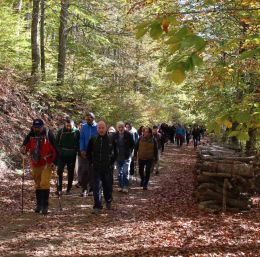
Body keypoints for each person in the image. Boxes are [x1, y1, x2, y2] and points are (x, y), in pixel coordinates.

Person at [21, 119, 56, 214]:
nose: (36, 129)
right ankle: (39, 205)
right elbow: (25, 146)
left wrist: (54, 162)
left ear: (43, 126)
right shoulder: (31, 134)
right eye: (35, 127)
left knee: (44, 182)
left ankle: (45, 206)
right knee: (37, 184)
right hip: (35, 162)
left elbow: (55, 149)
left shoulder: (49, 134)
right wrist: (23, 149)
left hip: (46, 162)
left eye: (38, 127)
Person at [87, 121, 117, 214]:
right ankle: (97, 206)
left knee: (107, 186)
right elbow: (88, 153)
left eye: (102, 128)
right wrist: (91, 163)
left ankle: (108, 200)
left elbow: (116, 153)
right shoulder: (93, 139)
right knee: (96, 187)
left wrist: (111, 163)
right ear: (97, 129)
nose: (101, 130)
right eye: (99, 128)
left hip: (107, 168)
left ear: (106, 128)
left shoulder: (111, 139)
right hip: (96, 167)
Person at [56, 118, 80, 195]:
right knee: (59, 171)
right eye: (67, 125)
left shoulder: (76, 132)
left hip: (71, 155)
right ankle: (59, 189)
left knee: (70, 172)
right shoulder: (61, 131)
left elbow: (79, 143)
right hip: (62, 155)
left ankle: (68, 189)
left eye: (70, 126)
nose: (69, 127)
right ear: (65, 125)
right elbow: (56, 143)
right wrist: (59, 151)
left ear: (73, 125)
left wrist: (75, 151)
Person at [79, 112, 97, 197]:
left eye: (89, 119)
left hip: (94, 153)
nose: (88, 120)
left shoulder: (97, 127)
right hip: (85, 152)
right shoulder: (84, 127)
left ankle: (92, 189)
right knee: (84, 171)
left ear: (93, 118)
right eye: (86, 119)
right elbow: (81, 138)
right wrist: (82, 149)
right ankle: (84, 189)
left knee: (92, 171)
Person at [114, 121, 135, 193]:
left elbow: (133, 144)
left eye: (122, 127)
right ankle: (120, 186)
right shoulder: (115, 135)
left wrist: (130, 152)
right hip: (118, 156)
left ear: (124, 127)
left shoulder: (128, 134)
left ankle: (125, 186)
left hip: (126, 156)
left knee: (125, 172)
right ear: (117, 128)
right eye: (119, 127)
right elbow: (113, 145)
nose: (120, 128)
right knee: (119, 172)